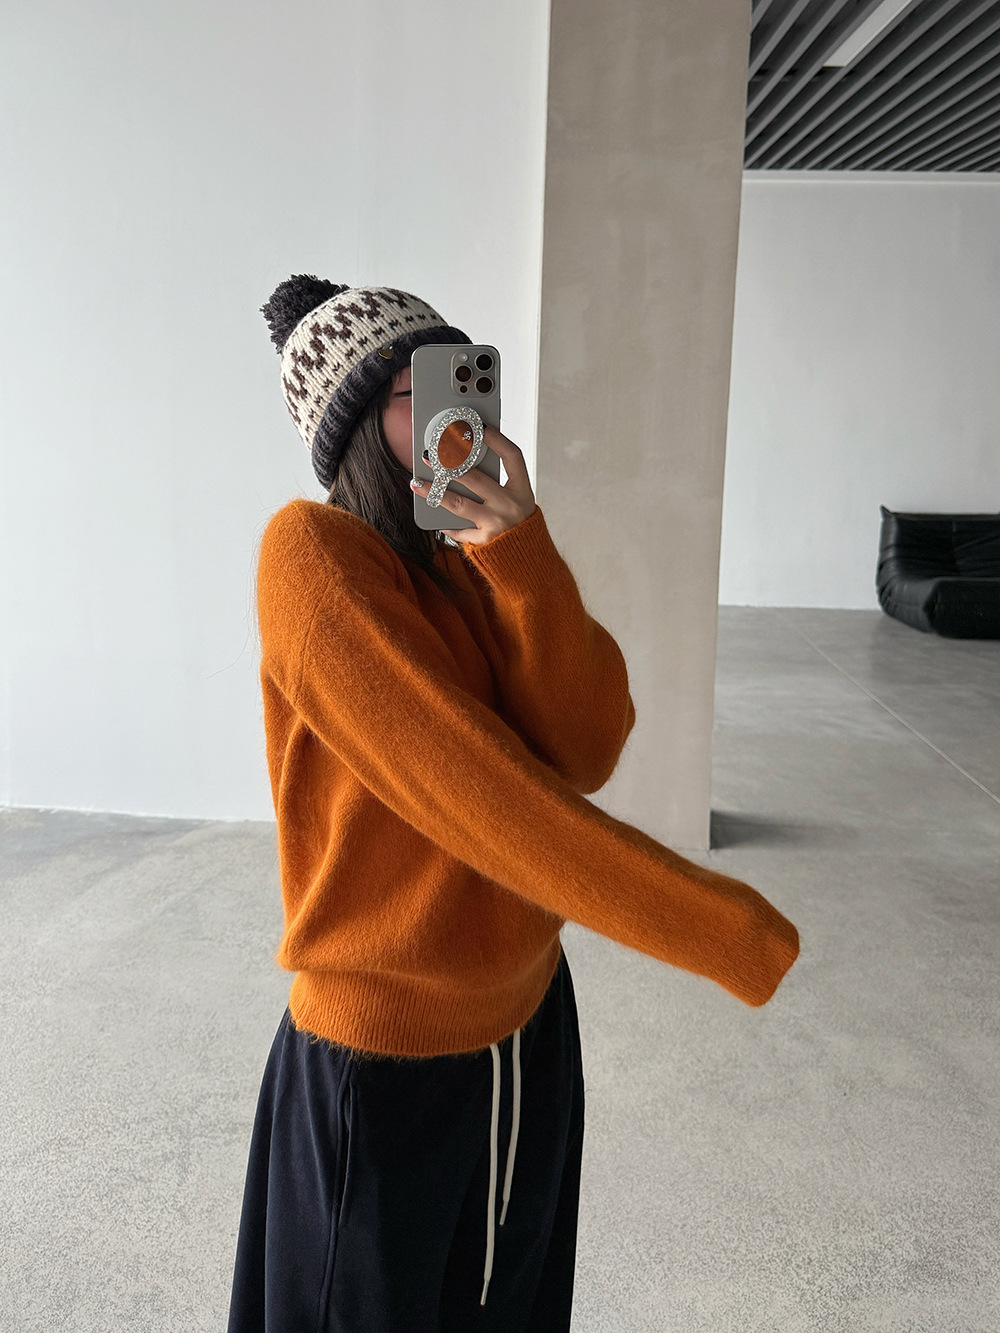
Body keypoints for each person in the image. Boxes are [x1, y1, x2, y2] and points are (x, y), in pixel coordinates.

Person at [226, 276, 800, 1333]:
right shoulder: (309, 556)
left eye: (463, 379)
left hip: (532, 1027)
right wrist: (715, 924)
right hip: (384, 1053)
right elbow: (476, 793)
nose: (456, 413)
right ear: (355, 427)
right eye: (416, 388)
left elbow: (587, 743)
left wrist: (519, 550)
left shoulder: (473, 568)